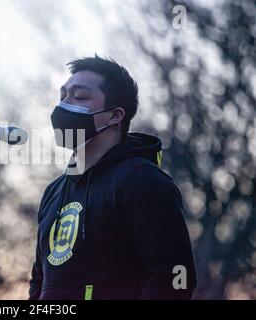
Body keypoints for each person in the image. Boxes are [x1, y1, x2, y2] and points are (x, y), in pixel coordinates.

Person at [29, 55, 197, 300]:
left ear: (115, 116)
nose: (64, 105)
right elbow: (40, 281)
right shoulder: (54, 192)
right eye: (63, 95)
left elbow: (174, 278)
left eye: (79, 97)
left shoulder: (143, 180)